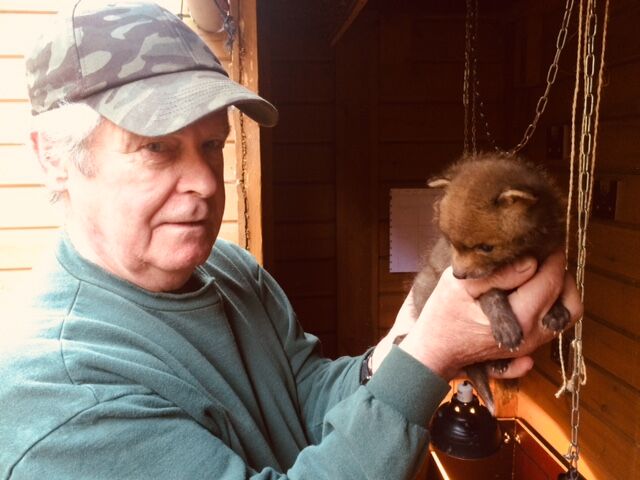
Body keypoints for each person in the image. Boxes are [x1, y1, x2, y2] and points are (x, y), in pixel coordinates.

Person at [0, 1, 582, 479]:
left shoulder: (231, 270)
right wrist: (432, 355)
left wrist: (415, 329)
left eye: (212, 145)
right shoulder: (57, 393)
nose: (206, 182)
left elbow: (309, 400)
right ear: (54, 159)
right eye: (157, 147)